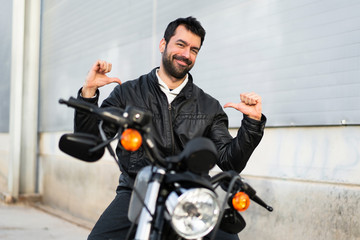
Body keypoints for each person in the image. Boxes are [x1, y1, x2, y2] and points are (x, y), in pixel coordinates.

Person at [75, 16, 266, 240]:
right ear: (163, 44)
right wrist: (88, 93)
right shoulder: (128, 93)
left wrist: (252, 123)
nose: (186, 54)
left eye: (194, 50)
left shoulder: (209, 106)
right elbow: (93, 143)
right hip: (138, 189)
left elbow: (230, 161)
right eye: (181, 44)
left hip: (191, 195)